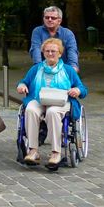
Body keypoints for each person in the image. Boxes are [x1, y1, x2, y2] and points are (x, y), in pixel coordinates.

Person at [17, 38, 87, 170]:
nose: (50, 54)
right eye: (47, 51)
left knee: (52, 112)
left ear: (60, 53)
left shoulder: (68, 70)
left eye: (53, 51)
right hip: (39, 99)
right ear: (43, 53)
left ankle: (56, 153)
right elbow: (24, 81)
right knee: (30, 109)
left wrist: (76, 90)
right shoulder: (36, 69)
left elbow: (82, 89)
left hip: (60, 101)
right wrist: (22, 86)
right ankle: (33, 150)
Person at [30, 6, 79, 72]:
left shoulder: (68, 33)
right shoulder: (37, 31)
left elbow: (72, 50)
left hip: (64, 69)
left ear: (59, 21)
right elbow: (36, 49)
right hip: (43, 69)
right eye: (47, 17)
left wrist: (73, 67)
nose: (49, 19)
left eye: (53, 18)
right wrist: (38, 67)